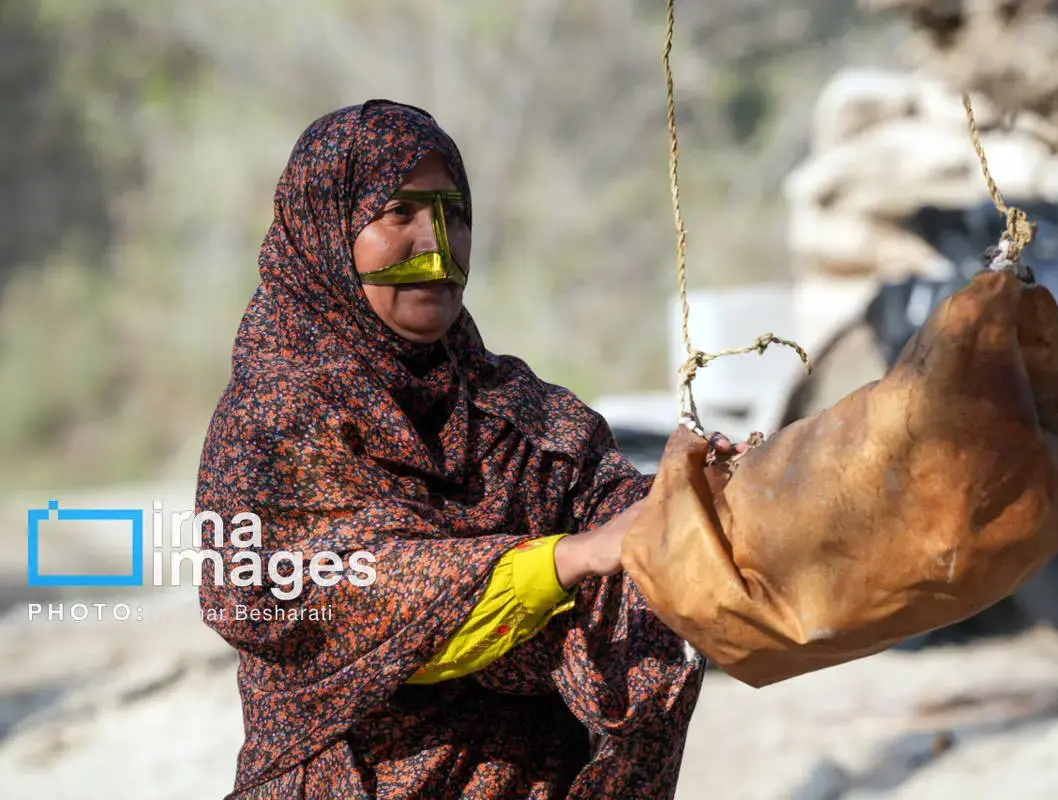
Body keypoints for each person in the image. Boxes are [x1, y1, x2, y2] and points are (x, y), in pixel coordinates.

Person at [197, 99, 742, 799]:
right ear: (326, 234)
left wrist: (700, 493)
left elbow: (616, 503)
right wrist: (568, 560)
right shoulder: (273, 422)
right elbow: (334, 595)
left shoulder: (513, 408)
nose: (439, 247)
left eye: (454, 214)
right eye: (401, 213)